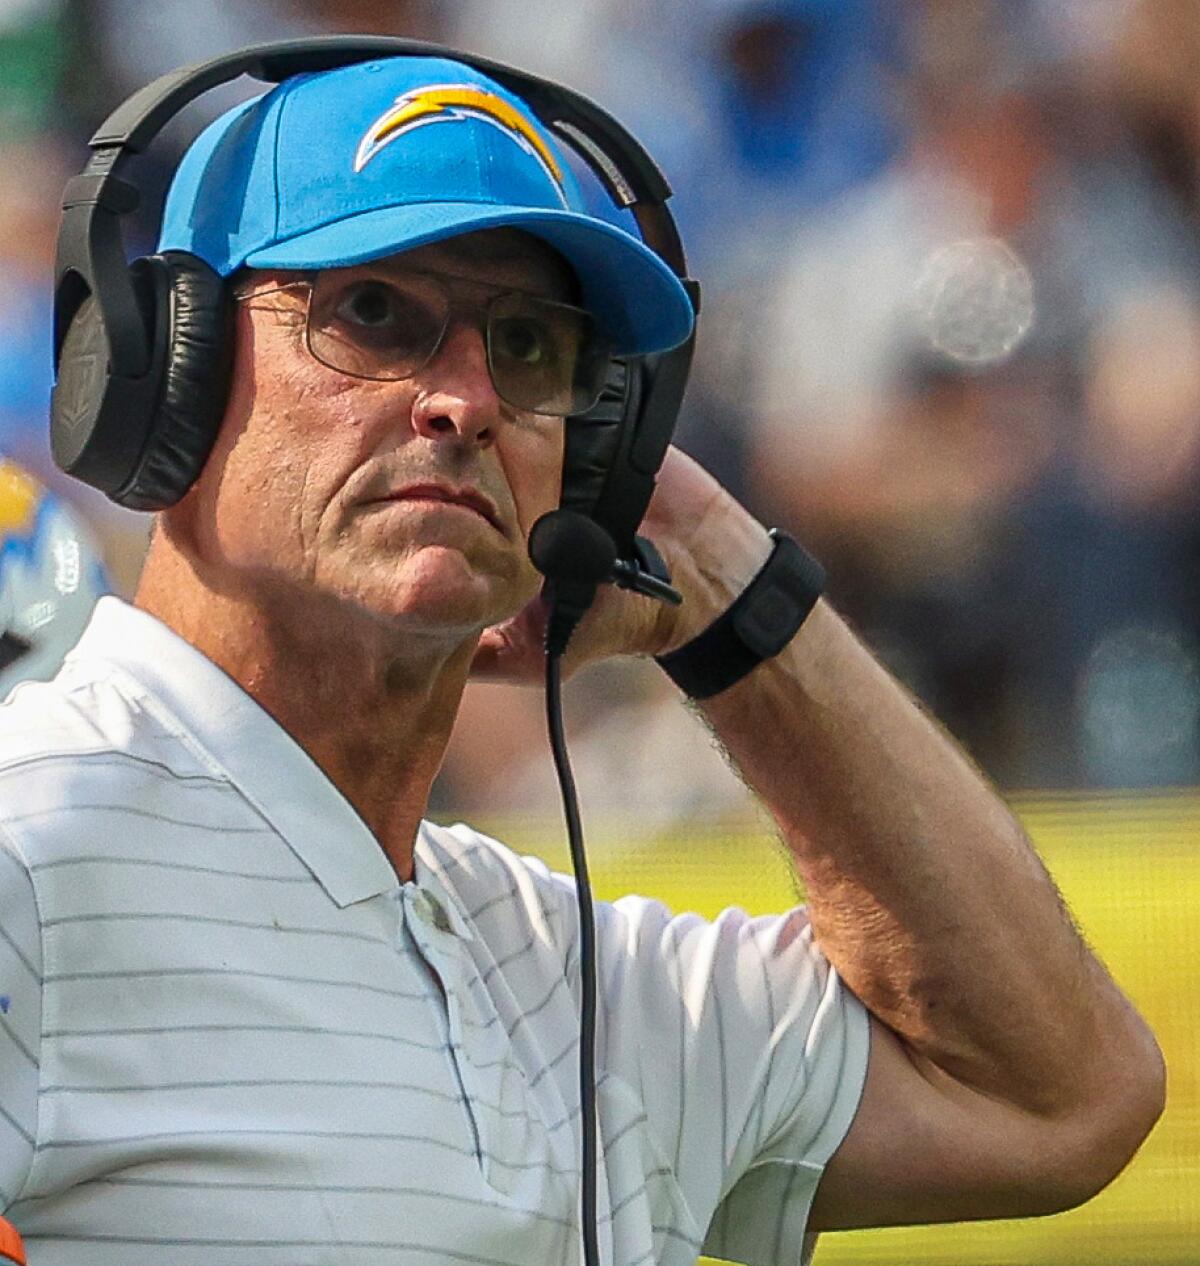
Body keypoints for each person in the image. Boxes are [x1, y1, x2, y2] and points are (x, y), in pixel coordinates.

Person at [0, 49, 1163, 1266]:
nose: (466, 400)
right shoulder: (30, 847)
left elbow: (1060, 1098)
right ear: (158, 373)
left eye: (528, 345)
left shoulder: (573, 973)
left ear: (608, 449)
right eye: (373, 314)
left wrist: (725, 585)